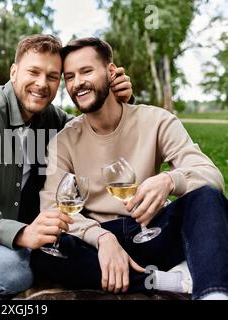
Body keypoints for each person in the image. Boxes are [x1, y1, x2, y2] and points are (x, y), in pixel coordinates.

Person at [0, 34, 134, 295]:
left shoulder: (47, 116)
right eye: (33, 72)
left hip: (17, 217)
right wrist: (22, 234)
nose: (41, 84)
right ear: (14, 73)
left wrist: (116, 100)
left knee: (91, 231)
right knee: (13, 272)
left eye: (52, 76)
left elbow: (89, 131)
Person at [32, 37, 228, 300]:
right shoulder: (63, 141)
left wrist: (171, 180)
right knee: (43, 252)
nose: (77, 82)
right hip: (98, 242)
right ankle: (163, 280)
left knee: (207, 198)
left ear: (112, 72)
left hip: (153, 229)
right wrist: (101, 238)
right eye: (70, 76)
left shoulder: (157, 120)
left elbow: (211, 175)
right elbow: (52, 208)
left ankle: (213, 295)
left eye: (86, 71)